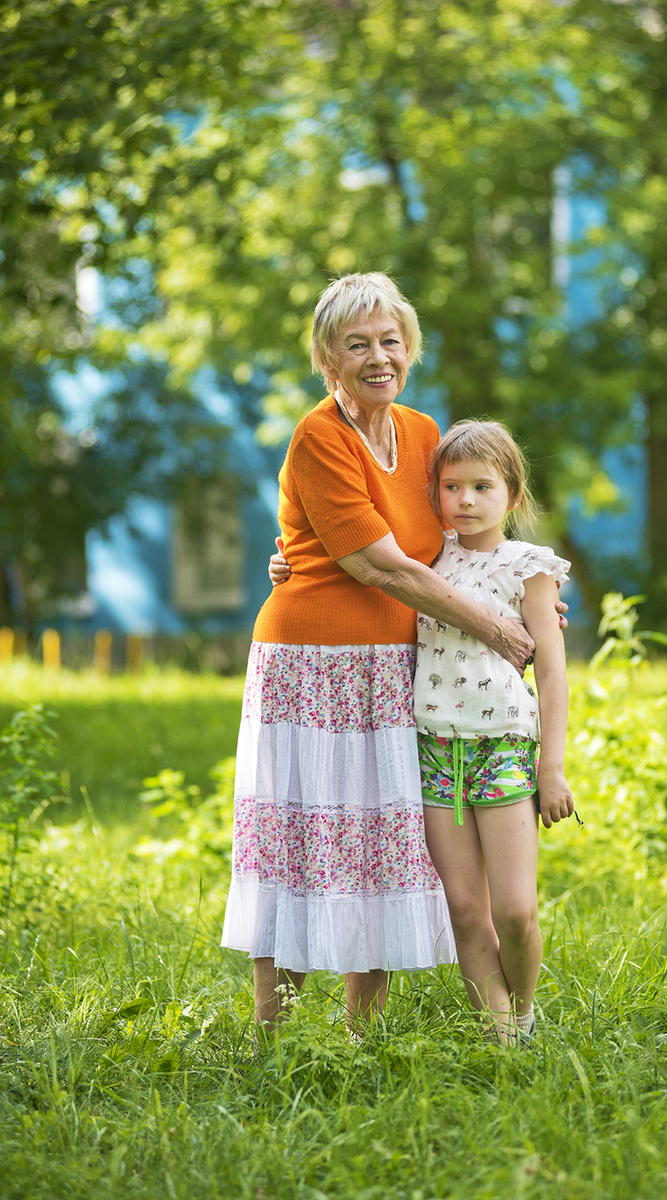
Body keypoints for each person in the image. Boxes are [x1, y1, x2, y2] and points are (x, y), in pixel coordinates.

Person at [221, 272, 558, 1040]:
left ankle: (358, 1035)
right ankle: (274, 1035)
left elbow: (460, 540)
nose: (378, 356)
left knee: (379, 842)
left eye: (390, 341)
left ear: (410, 348)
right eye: (357, 344)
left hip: (398, 668)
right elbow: (378, 564)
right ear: (326, 359)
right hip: (313, 669)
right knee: (302, 842)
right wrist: (496, 626)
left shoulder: (422, 430)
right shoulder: (318, 436)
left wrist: (525, 594)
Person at [414, 420, 576, 1044]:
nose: (465, 500)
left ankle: (525, 1012)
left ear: (513, 495)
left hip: (505, 746)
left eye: (483, 486)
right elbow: (358, 566)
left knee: (514, 909)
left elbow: (554, 670)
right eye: (451, 486)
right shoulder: (424, 560)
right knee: (464, 909)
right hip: (434, 749)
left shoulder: (529, 568)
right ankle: (501, 1034)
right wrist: (284, 564)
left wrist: (552, 766)